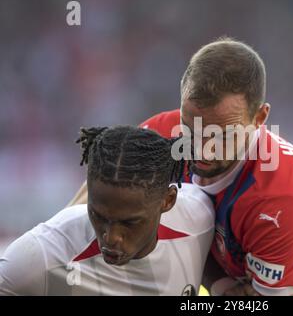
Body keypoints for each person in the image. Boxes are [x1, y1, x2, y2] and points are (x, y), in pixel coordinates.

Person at [67, 37, 293, 296]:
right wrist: (221, 285)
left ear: (260, 118)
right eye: (191, 128)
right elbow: (83, 208)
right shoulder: (162, 135)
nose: (202, 148)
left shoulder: (279, 198)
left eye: (222, 136)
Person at [0, 126, 214, 296]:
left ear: (168, 201)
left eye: (129, 222)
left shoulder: (199, 218)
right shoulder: (42, 256)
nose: (111, 238)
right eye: (98, 216)